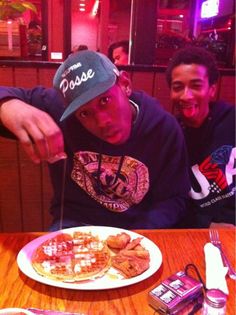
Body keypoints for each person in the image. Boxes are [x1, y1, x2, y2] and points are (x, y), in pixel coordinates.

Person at [0, 50, 190, 231]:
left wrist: (138, 235)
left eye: (105, 101)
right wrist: (8, 106)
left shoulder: (163, 128)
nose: (102, 122)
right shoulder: (61, 111)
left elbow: (173, 198)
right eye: (85, 113)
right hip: (74, 224)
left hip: (138, 229)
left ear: (125, 84)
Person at [166, 46, 235, 228]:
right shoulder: (168, 137)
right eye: (178, 87)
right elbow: (171, 202)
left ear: (212, 90)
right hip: (198, 233)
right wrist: (207, 225)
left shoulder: (232, 121)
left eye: (196, 86)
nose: (186, 96)